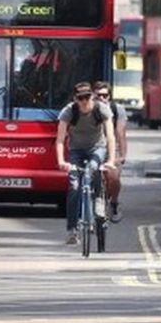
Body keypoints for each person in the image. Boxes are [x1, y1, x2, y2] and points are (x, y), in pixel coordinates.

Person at [56, 82, 116, 245]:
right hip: (76, 150)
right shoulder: (69, 111)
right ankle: (72, 230)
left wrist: (110, 160)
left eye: (87, 97)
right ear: (75, 99)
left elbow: (110, 136)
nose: (84, 101)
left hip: (97, 148)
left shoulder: (101, 109)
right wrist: (61, 161)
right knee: (74, 187)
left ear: (92, 96)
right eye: (80, 98)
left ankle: (98, 198)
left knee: (92, 168)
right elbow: (60, 139)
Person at [93, 81, 126, 222]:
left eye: (105, 95)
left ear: (109, 97)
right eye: (98, 95)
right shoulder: (87, 109)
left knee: (113, 177)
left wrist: (122, 155)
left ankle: (114, 203)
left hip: (111, 148)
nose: (101, 98)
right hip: (93, 147)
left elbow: (120, 133)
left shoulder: (117, 109)